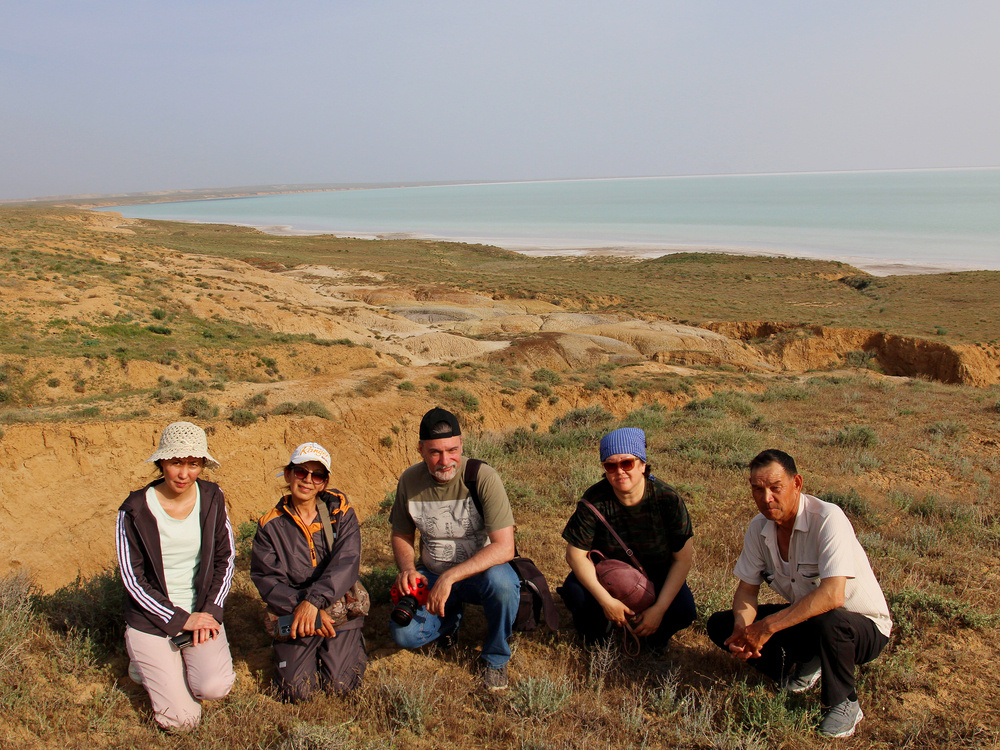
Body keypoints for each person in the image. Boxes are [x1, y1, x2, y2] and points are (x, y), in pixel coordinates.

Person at [707, 449, 892, 739]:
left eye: (775, 488)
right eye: (757, 489)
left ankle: (844, 703)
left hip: (862, 629)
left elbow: (833, 596)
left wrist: (765, 628)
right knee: (720, 626)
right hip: (811, 622)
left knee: (829, 620)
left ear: (797, 484)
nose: (766, 498)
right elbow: (746, 590)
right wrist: (745, 631)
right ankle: (800, 668)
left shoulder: (828, 519)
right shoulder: (759, 528)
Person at [389, 407, 520, 690]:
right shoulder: (409, 481)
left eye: (452, 450)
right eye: (435, 452)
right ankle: (450, 621)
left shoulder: (482, 476)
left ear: (462, 445)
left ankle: (495, 658)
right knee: (404, 635)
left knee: (504, 584)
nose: (445, 461)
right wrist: (409, 569)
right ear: (421, 449)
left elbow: (505, 548)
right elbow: (401, 532)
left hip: (479, 575)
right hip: (432, 574)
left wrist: (451, 577)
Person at [116, 421, 236, 731]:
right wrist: (182, 620)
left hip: (200, 611)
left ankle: (173, 662)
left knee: (214, 688)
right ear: (161, 463)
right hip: (152, 619)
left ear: (202, 465)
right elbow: (133, 579)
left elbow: (226, 557)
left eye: (193, 464)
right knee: (183, 721)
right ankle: (143, 659)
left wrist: (208, 612)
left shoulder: (212, 497)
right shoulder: (134, 510)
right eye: (176, 462)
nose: (184, 473)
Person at [559, 427, 696, 651]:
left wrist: (659, 609)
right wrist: (606, 602)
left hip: (657, 573)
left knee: (684, 610)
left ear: (642, 464)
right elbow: (575, 556)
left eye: (627, 463)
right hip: (607, 575)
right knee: (576, 595)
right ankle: (597, 635)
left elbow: (683, 559)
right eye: (611, 465)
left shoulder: (667, 500)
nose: (619, 471)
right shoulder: (594, 500)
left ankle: (655, 635)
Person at [250, 442, 366, 701]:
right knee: (298, 692)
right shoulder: (270, 526)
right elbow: (266, 579)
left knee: (341, 686)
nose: (308, 481)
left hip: (337, 607)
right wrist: (305, 608)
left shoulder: (341, 512)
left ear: (324, 483)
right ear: (289, 474)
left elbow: (347, 562)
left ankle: (345, 643)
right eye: (301, 472)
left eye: (317, 475)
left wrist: (316, 602)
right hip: (297, 612)